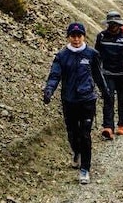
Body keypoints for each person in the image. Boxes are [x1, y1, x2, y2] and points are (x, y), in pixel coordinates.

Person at [43, 22, 111, 185]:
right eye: (73, 36)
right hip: (69, 100)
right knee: (72, 132)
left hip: (87, 100)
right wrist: (49, 90)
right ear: (68, 37)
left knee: (85, 134)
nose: (76, 39)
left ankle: (85, 169)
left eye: (79, 36)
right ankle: (76, 152)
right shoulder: (62, 56)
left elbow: (98, 75)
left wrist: (105, 92)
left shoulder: (92, 54)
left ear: (83, 36)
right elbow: (55, 75)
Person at [95, 11, 123, 139]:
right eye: (111, 23)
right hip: (107, 73)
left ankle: (122, 124)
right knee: (108, 98)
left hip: (122, 73)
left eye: (115, 23)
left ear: (119, 24)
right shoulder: (101, 36)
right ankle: (108, 127)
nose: (113, 26)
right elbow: (97, 54)